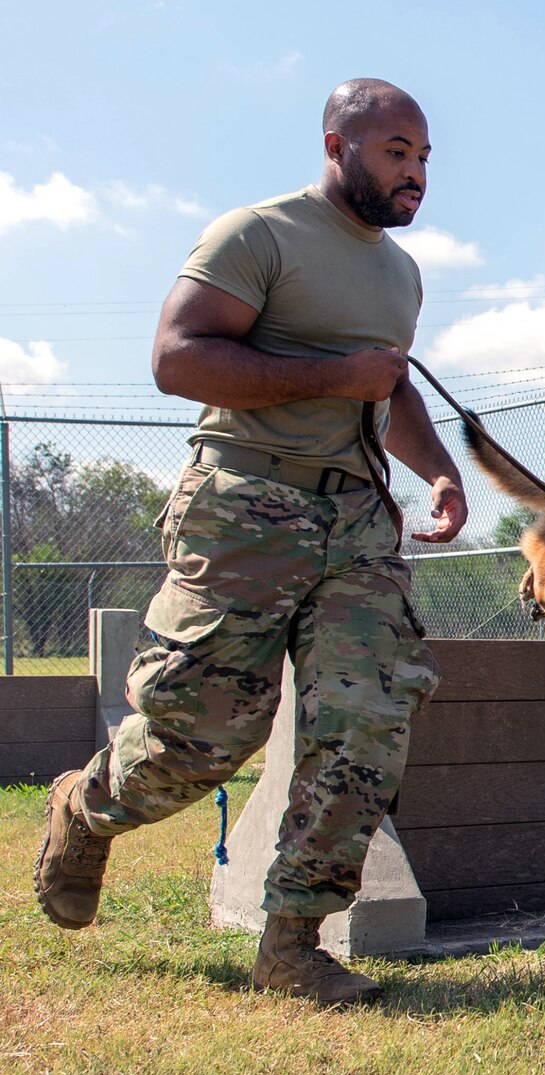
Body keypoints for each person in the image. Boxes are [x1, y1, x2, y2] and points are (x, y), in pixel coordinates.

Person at [34, 78, 468, 1006]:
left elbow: (387, 391)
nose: (415, 172)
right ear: (337, 143)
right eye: (396, 150)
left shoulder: (400, 273)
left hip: (355, 518)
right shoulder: (257, 235)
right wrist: (333, 372)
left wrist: (436, 469)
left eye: (424, 157)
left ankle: (292, 945)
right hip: (244, 502)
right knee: (202, 734)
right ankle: (87, 805)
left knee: (367, 719)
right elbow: (177, 357)